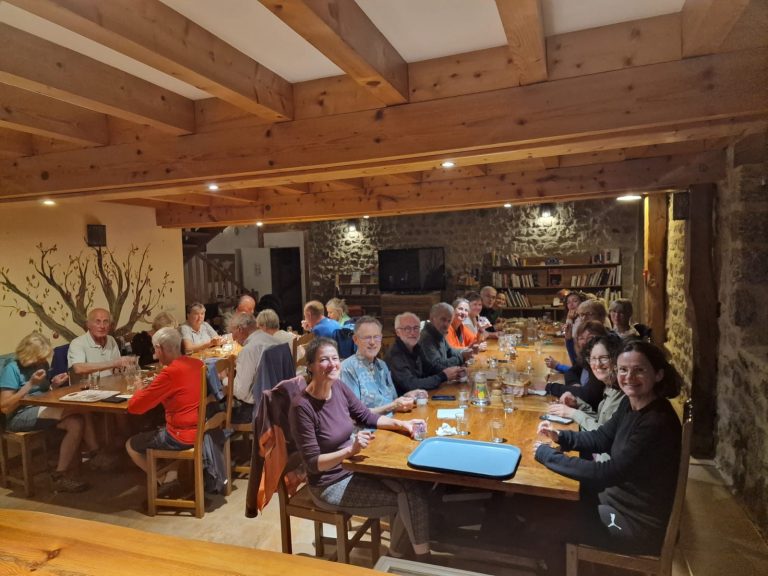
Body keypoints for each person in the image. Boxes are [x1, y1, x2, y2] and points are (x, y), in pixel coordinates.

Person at [535, 341, 682, 560]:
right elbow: (602, 438)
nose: (629, 377)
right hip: (614, 501)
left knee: (543, 521)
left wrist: (549, 455)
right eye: (623, 370)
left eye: (639, 370)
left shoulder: (657, 421)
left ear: (658, 374)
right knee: (544, 504)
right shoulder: (631, 403)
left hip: (634, 523)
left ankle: (553, 564)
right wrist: (561, 436)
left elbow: (608, 472)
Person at [290, 337, 431, 559]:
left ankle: (398, 554)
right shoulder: (302, 407)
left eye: (335, 358)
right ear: (311, 366)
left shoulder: (338, 387)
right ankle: (418, 559)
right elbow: (313, 464)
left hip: (354, 468)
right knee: (409, 500)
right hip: (329, 483)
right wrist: (350, 450)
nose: (332, 364)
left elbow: (366, 416)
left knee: (413, 485)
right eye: (324, 360)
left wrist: (403, 425)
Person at [0, 332, 104, 492]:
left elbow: (43, 393)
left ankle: (59, 475)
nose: (42, 361)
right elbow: (5, 407)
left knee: (76, 422)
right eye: (39, 358)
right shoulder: (12, 368)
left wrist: (53, 385)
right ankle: (96, 453)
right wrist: (29, 384)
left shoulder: (41, 364)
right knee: (80, 408)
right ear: (28, 353)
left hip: (41, 408)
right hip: (18, 416)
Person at [125, 328, 203, 489]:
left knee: (131, 445)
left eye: (155, 350)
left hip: (182, 436)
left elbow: (135, 407)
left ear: (159, 349)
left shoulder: (169, 373)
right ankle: (171, 472)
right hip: (202, 428)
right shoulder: (198, 363)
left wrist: (139, 390)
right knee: (158, 424)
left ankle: (163, 479)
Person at [547, 333, 625, 437]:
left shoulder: (622, 392)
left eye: (603, 358)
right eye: (593, 358)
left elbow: (603, 435)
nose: (597, 364)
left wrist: (572, 413)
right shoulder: (609, 386)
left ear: (616, 359)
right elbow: (599, 421)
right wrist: (577, 404)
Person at [340, 316, 416, 415]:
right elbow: (355, 413)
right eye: (367, 337)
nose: (372, 342)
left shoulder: (382, 365)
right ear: (355, 339)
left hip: (394, 420)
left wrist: (407, 397)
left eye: (376, 337)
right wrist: (393, 406)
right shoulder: (347, 368)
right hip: (371, 425)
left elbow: (392, 400)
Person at [385, 312, 463, 394]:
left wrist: (455, 371)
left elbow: (430, 369)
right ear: (397, 332)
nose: (412, 332)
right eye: (407, 328)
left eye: (416, 328)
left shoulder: (416, 347)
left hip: (422, 396)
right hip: (404, 400)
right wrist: (443, 376)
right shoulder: (395, 355)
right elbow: (411, 385)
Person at [227, 311, 281, 424]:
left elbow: (241, 393)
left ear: (239, 329)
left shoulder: (249, 350)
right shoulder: (276, 341)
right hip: (279, 404)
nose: (233, 338)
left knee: (216, 412)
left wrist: (224, 378)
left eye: (232, 332)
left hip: (258, 410)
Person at [545, 321, 609, 411]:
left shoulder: (599, 364)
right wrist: (574, 384)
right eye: (581, 338)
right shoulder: (587, 359)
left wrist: (549, 387)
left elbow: (588, 396)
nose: (585, 342)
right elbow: (571, 371)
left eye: (591, 338)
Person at [68, 308, 134, 377]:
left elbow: (117, 368)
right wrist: (113, 363)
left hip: (110, 382)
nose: (102, 326)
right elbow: (78, 368)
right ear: (88, 324)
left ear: (110, 325)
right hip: (88, 384)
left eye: (105, 322)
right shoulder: (77, 343)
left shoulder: (111, 340)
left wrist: (127, 367)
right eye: (98, 322)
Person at [419, 303, 474, 376]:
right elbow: (436, 366)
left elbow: (450, 351)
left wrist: (467, 351)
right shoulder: (426, 338)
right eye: (443, 319)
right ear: (432, 319)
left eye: (449, 321)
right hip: (433, 381)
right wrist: (461, 357)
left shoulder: (439, 332)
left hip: (443, 377)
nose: (446, 324)